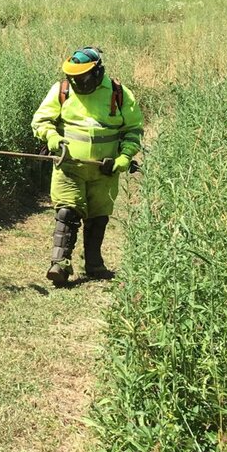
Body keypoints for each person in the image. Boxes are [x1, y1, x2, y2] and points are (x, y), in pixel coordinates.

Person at [31, 47, 143, 286]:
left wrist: (124, 159)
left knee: (98, 217)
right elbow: (41, 120)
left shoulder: (119, 93)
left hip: (106, 171)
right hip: (69, 167)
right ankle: (59, 264)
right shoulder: (61, 91)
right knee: (67, 212)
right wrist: (51, 137)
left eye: (81, 77)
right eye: (72, 77)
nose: (76, 82)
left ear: (97, 71)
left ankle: (94, 264)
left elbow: (133, 131)